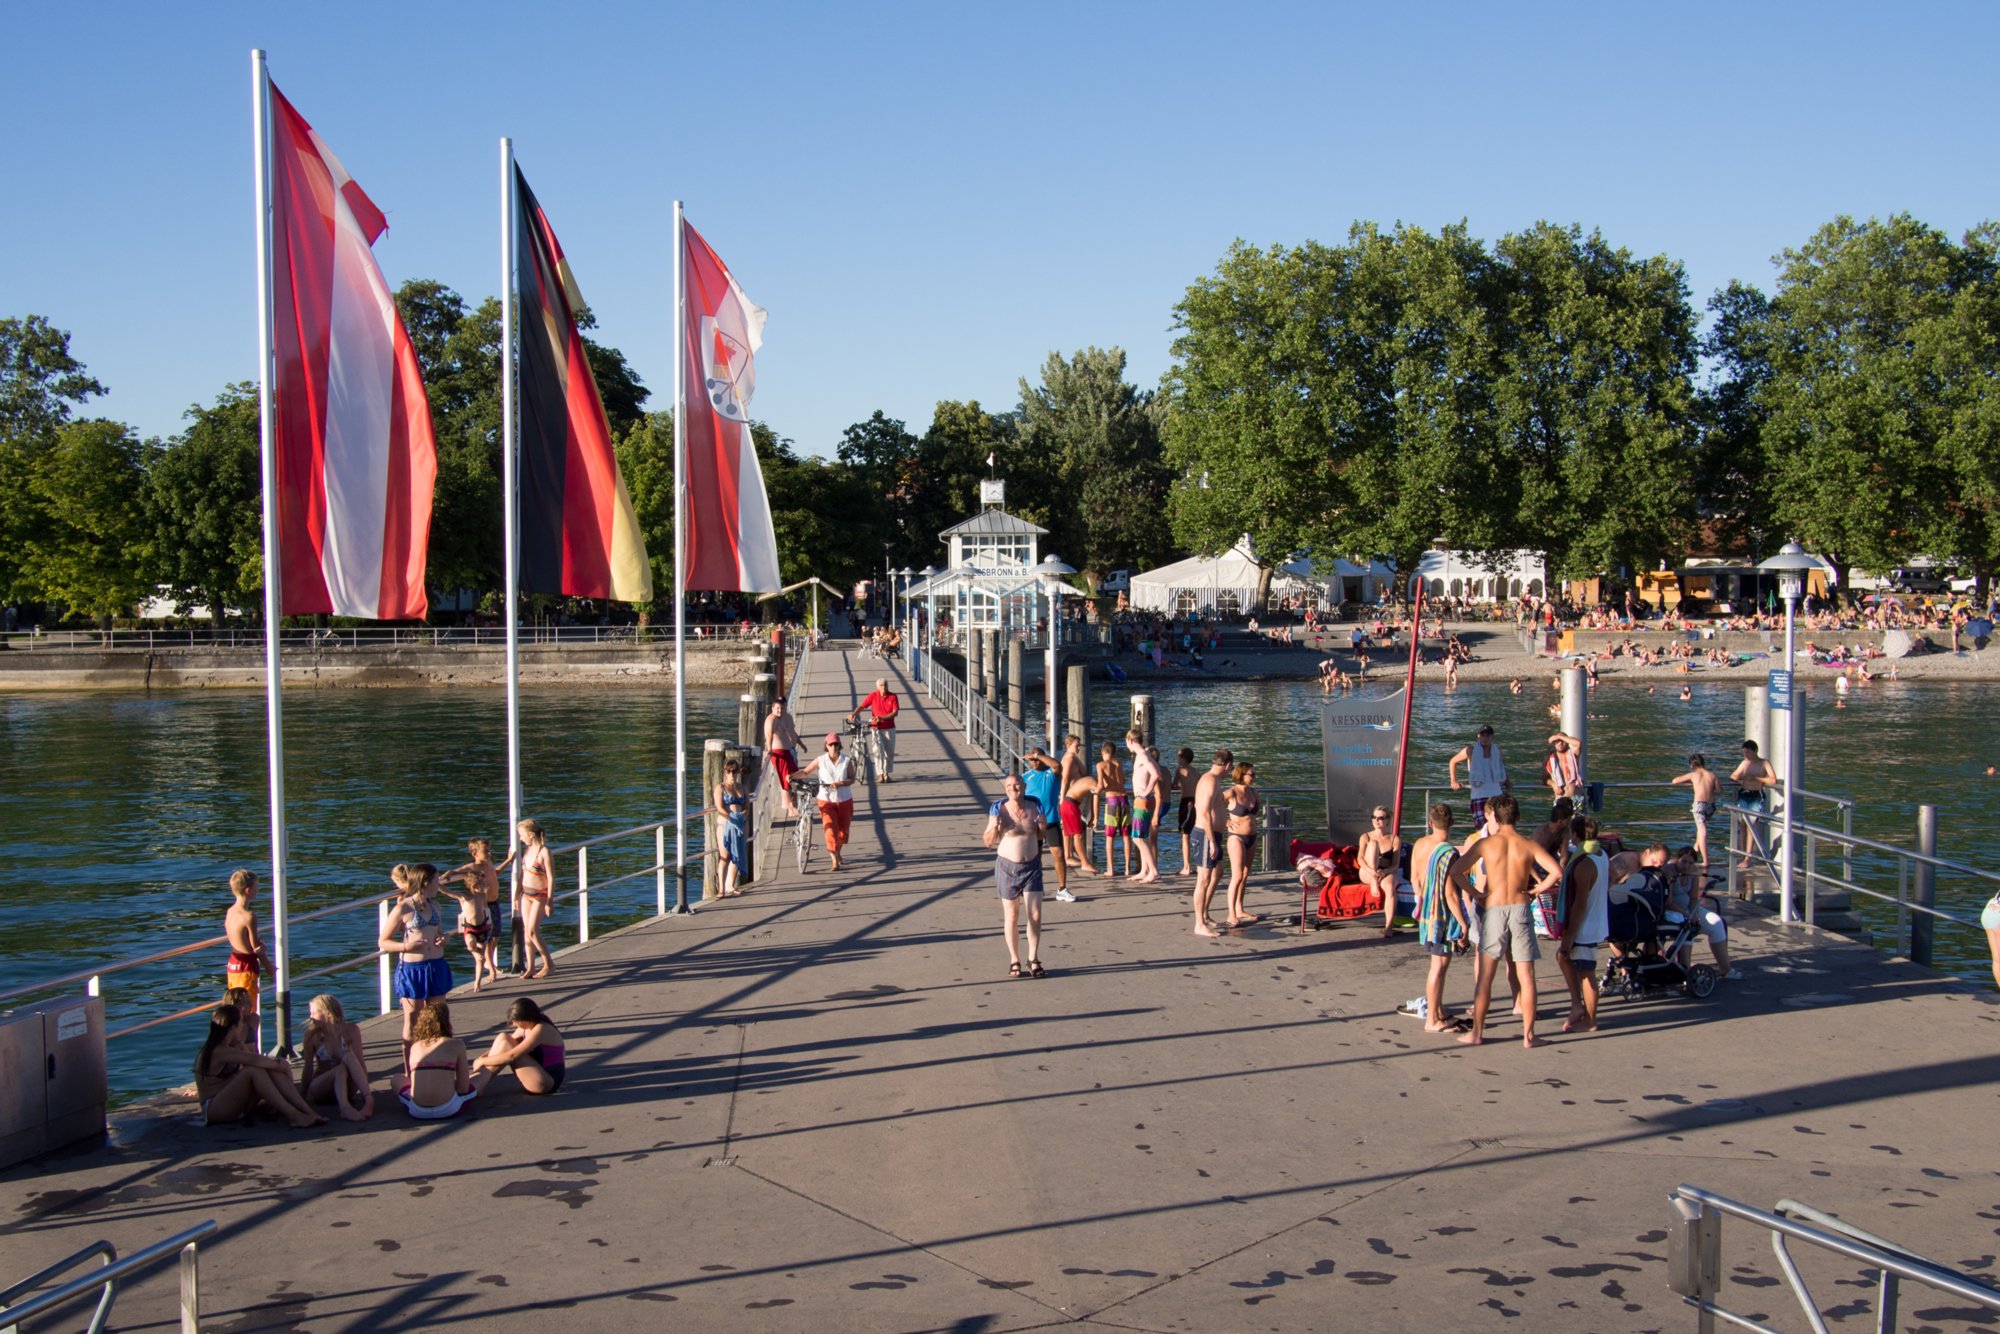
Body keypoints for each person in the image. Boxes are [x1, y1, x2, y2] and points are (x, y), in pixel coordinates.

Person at [1448, 795, 1564, 1049]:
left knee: (1486, 976)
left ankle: (1477, 1032)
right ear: (1518, 817)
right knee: (1527, 975)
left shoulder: (1486, 844)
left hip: (1495, 908)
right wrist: (1535, 891)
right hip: (1520, 908)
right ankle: (1529, 1036)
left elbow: (1456, 871)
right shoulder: (1528, 844)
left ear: (1495, 817)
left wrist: (1476, 893)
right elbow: (1557, 872)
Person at [193, 1003, 323, 1128]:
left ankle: (308, 1111)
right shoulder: (219, 1050)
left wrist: (243, 1047)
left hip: (231, 1103)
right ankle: (294, 1116)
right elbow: (255, 1061)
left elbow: (255, 1060)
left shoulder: (232, 1047)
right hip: (213, 1109)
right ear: (233, 1027)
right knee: (253, 1071)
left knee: (267, 1068)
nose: (242, 1026)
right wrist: (280, 1064)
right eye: (241, 1023)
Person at [378, 863, 454, 1075]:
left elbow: (439, 931)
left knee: (438, 1016)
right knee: (412, 1019)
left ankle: (437, 1064)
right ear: (425, 882)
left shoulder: (435, 906)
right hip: (413, 968)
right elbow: (383, 941)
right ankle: (410, 1070)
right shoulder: (404, 908)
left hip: (436, 965)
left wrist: (444, 937)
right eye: (437, 880)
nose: (439, 884)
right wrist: (405, 946)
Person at [1409, 804, 1472, 1034]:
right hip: (1441, 915)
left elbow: (1415, 879)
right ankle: (1432, 1020)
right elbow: (1450, 893)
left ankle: (1436, 1010)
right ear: (1452, 824)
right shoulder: (1449, 852)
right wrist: (1464, 922)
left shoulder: (1421, 845)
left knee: (1439, 964)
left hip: (1426, 908)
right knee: (1438, 965)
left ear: (1431, 823)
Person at [982, 773, 1049, 978]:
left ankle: (1033, 958)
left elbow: (1039, 836)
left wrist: (1043, 827)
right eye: (1009, 786)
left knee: (1035, 915)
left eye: (1017, 785)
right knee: (1012, 916)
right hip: (1007, 868)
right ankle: (1014, 959)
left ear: (1024, 786)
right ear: (1005, 789)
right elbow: (988, 842)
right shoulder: (999, 809)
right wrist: (995, 827)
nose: (1013, 789)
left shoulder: (1035, 806)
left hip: (1032, 866)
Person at [1555, 816, 1611, 1035]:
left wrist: (1569, 936)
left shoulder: (1584, 863)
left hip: (1585, 926)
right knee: (1564, 958)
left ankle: (1590, 1019)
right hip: (1596, 921)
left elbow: (1579, 904)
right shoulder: (1602, 854)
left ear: (1576, 835)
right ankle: (1578, 1007)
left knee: (1586, 973)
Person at [497, 820, 556, 979]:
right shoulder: (528, 851)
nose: (521, 839)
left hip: (539, 895)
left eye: (522, 835)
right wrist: (516, 894)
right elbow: (523, 875)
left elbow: (550, 878)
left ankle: (549, 963)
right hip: (526, 895)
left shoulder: (544, 852)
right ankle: (530, 966)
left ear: (531, 834)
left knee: (532, 931)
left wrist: (549, 901)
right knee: (526, 934)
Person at [299, 993, 373, 1121]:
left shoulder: (351, 1030)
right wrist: (302, 1097)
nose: (311, 1018)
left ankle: (369, 1099)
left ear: (328, 1014)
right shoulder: (312, 1036)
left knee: (349, 1056)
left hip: (347, 1087)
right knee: (340, 1069)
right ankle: (345, 1109)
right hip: (321, 1088)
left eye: (314, 1013)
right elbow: (308, 1068)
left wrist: (362, 1089)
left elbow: (360, 1062)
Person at [473, 998, 566, 1096]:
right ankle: (477, 1083)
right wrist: (482, 1057)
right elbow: (503, 1044)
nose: (514, 1024)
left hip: (546, 1082)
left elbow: (512, 1056)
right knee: (503, 1037)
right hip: (538, 1073)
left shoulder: (542, 1029)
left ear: (527, 1019)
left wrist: (483, 1062)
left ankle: (476, 1085)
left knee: (508, 1045)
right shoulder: (529, 1025)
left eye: (516, 1021)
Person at [400, 1001, 475, 1120]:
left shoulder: (415, 1046)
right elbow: (463, 1088)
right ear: (446, 1021)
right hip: (448, 1108)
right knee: (478, 1078)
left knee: (396, 1079)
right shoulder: (457, 1044)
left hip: (418, 1110)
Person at [446, 838, 505, 978]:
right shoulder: (473, 867)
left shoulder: (488, 863)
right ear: (475, 853)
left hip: (494, 902)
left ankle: (489, 963)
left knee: (496, 934)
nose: (489, 854)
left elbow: (495, 873)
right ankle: (490, 967)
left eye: (489, 851)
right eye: (485, 851)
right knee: (488, 937)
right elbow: (458, 870)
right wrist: (449, 873)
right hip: (485, 905)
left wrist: (509, 860)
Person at [223, 869, 267, 1045]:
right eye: (257, 887)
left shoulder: (230, 912)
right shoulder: (249, 917)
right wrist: (269, 966)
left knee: (234, 1006)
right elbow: (256, 947)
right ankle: (248, 1048)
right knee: (248, 1010)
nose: (258, 890)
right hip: (247, 966)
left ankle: (235, 1045)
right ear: (248, 890)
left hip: (233, 962)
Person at [1191, 749, 1233, 937]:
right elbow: (1204, 812)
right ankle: (1199, 923)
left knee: (1218, 872)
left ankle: (1205, 914)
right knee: (1204, 879)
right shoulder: (1209, 781)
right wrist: (1211, 840)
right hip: (1205, 834)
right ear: (1228, 765)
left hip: (1213, 834)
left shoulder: (1214, 780)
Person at [1021, 748, 1069, 899]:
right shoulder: (1025, 777)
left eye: (1036, 759)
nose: (1034, 762)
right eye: (1031, 760)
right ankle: (1035, 888)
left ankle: (1062, 889)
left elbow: (1057, 766)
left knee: (1059, 854)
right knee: (1035, 857)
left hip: (1051, 821)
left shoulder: (1051, 773)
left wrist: (1037, 755)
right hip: (1033, 823)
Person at [438, 871, 496, 991]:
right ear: (474, 886)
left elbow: (486, 909)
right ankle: (475, 952)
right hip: (470, 928)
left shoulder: (482, 896)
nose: (484, 886)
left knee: (481, 959)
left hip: (482, 927)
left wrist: (490, 923)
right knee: (471, 945)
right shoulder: (464, 897)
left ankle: (477, 984)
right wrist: (437, 884)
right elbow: (447, 892)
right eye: (482, 884)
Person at [1729, 740, 1777, 880]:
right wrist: (1740, 780)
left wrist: (1755, 778)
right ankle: (1743, 854)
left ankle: (1748, 858)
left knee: (1752, 826)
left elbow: (1772, 780)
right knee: (1742, 826)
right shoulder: (1744, 763)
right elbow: (1733, 775)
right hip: (1744, 794)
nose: (1746, 755)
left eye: (1748, 752)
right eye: (1744, 753)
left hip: (1756, 795)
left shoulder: (1764, 763)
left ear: (1755, 751)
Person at [1222, 760, 1262, 928]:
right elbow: (1209, 805)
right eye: (1251, 775)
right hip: (1236, 837)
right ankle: (1231, 914)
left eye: (1254, 775)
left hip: (1252, 837)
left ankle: (1239, 909)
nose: (1253, 777)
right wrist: (1225, 821)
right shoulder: (1231, 793)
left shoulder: (1254, 792)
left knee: (1245, 874)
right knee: (1237, 875)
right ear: (1242, 774)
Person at [810, 731, 856, 871]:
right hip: (826, 800)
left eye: (836, 744)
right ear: (826, 745)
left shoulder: (846, 760)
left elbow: (852, 779)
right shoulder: (821, 760)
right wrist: (792, 776)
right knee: (830, 830)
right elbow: (806, 771)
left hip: (844, 799)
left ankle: (838, 853)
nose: (834, 747)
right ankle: (834, 861)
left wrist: (840, 783)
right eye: (831, 744)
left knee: (843, 832)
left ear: (839, 745)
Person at [1057, 734, 1100, 882]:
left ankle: (1069, 855)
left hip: (1074, 799)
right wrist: (1062, 798)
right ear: (1068, 745)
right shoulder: (1068, 760)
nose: (1078, 747)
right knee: (1075, 832)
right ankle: (1079, 860)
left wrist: (1076, 758)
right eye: (1076, 745)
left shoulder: (1073, 758)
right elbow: (1064, 780)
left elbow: (1084, 772)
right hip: (1069, 798)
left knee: (1069, 830)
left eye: (1079, 745)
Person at [1357, 804, 1403, 937]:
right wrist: (1372, 873)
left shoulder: (1394, 839)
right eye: (1374, 817)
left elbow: (1395, 864)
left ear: (1388, 820)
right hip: (1367, 871)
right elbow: (1360, 859)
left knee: (1390, 887)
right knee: (1374, 844)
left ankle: (1388, 927)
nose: (1376, 820)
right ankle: (1374, 881)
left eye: (1381, 818)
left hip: (1384, 871)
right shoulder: (1366, 837)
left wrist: (1385, 872)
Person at [1447, 725, 1509, 824]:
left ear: (1492, 737)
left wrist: (1507, 781)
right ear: (1478, 736)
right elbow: (1452, 761)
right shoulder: (1470, 751)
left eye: (1488, 735)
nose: (1485, 738)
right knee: (1482, 830)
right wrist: (1453, 780)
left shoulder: (1497, 751)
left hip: (1497, 795)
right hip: (1479, 796)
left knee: (1499, 828)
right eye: (1482, 735)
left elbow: (1501, 768)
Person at [1670, 754, 1723, 867]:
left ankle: (1705, 861)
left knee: (1702, 831)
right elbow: (1720, 790)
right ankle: (1696, 846)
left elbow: (1675, 781)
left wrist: (1691, 783)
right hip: (1710, 806)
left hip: (1699, 806)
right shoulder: (1712, 775)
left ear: (1692, 765)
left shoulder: (1693, 775)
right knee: (1702, 828)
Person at [846, 677, 900, 781]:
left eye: (885, 685)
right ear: (877, 687)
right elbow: (862, 706)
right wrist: (854, 714)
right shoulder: (873, 696)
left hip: (889, 728)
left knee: (889, 752)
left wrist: (882, 718)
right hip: (876, 728)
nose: (883, 687)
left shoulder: (893, 696)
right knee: (877, 751)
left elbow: (895, 712)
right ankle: (880, 774)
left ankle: (886, 773)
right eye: (881, 686)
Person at [1126, 731, 1163, 884]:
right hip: (1143, 801)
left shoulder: (1142, 755)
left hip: (1143, 801)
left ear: (1130, 740)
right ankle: (1144, 870)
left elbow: (1155, 774)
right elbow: (1158, 771)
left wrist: (1146, 793)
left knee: (1137, 837)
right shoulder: (1145, 754)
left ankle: (1153, 871)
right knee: (1141, 837)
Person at [714, 756, 750, 898]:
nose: (732, 775)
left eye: (734, 772)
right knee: (725, 855)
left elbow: (747, 805)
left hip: (741, 823)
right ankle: (721, 888)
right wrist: (731, 818)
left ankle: (731, 884)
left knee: (738, 852)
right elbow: (719, 807)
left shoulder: (743, 788)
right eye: (729, 772)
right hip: (725, 823)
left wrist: (742, 816)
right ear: (725, 772)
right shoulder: (721, 788)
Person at [1095, 742, 1130, 878]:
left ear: (1103, 752)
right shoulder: (1119, 764)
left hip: (1112, 800)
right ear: (1114, 752)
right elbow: (1122, 780)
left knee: (1110, 836)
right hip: (1124, 799)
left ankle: (1111, 869)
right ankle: (1127, 868)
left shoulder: (1100, 765)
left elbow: (1100, 785)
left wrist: (1095, 792)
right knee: (1126, 835)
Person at [764, 699, 803, 818]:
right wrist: (769, 750)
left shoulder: (786, 718)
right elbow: (769, 735)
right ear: (772, 708)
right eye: (777, 708)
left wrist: (801, 744)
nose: (780, 710)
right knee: (785, 780)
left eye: (782, 708)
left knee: (795, 776)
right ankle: (790, 808)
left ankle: (792, 803)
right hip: (778, 753)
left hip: (789, 752)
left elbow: (792, 732)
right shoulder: (771, 720)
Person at [1174, 747, 1199, 879]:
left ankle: (1186, 866)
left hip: (1185, 802)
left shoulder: (1180, 771)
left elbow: (1174, 785)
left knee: (1185, 835)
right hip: (1196, 801)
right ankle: (1198, 864)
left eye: (1179, 757)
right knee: (1196, 833)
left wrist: (1178, 787)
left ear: (1183, 759)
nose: (1177, 759)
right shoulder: (1196, 771)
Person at [1543, 731, 1584, 808]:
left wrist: (1558, 737)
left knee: (1578, 820)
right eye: (1557, 741)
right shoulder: (1549, 758)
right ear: (1554, 743)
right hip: (1560, 798)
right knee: (1559, 820)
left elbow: (1578, 743)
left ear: (1567, 742)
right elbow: (1545, 778)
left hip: (1576, 798)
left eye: (1563, 741)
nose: (1560, 743)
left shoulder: (1573, 754)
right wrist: (1554, 785)